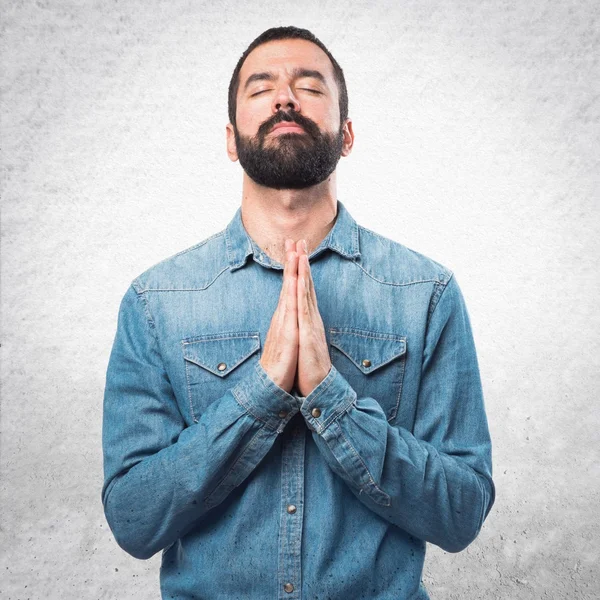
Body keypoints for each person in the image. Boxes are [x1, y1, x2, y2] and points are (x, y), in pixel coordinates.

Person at [101, 25, 495, 600]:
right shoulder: (156, 302)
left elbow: (462, 513)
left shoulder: (425, 292)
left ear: (348, 134)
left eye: (309, 86)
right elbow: (134, 522)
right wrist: (260, 394)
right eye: (262, 88)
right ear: (231, 139)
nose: (285, 97)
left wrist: (331, 401)